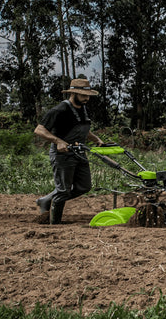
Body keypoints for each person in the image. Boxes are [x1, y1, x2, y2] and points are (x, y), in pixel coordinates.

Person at [34, 78, 103, 224]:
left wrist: (96, 139)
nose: (87, 98)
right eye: (83, 95)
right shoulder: (60, 110)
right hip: (63, 155)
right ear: (73, 94)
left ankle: (46, 200)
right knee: (63, 190)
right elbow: (39, 130)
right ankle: (55, 223)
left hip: (79, 152)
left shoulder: (83, 108)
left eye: (88, 95)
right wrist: (58, 141)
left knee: (84, 186)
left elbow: (84, 130)